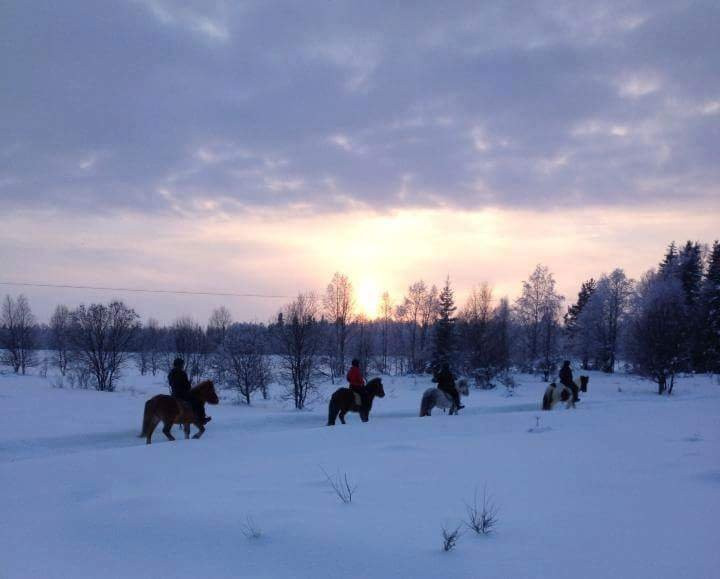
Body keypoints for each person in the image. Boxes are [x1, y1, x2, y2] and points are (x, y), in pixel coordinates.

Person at [168, 358, 210, 424]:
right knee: (198, 401)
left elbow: (170, 383)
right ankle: (201, 419)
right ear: (180, 365)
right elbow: (186, 385)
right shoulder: (182, 373)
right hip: (182, 394)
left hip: (174, 393)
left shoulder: (171, 373)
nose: (182, 366)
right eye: (182, 364)